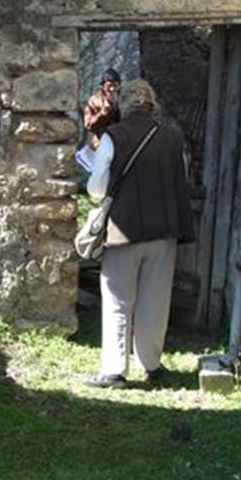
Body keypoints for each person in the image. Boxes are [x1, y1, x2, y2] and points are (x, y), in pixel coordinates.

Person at [82, 78, 195, 389]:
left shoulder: (114, 137)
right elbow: (179, 179)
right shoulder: (172, 136)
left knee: (118, 299)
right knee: (155, 301)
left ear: (123, 104)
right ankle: (152, 363)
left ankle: (115, 370)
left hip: (123, 230)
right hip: (163, 231)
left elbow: (96, 189)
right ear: (152, 103)